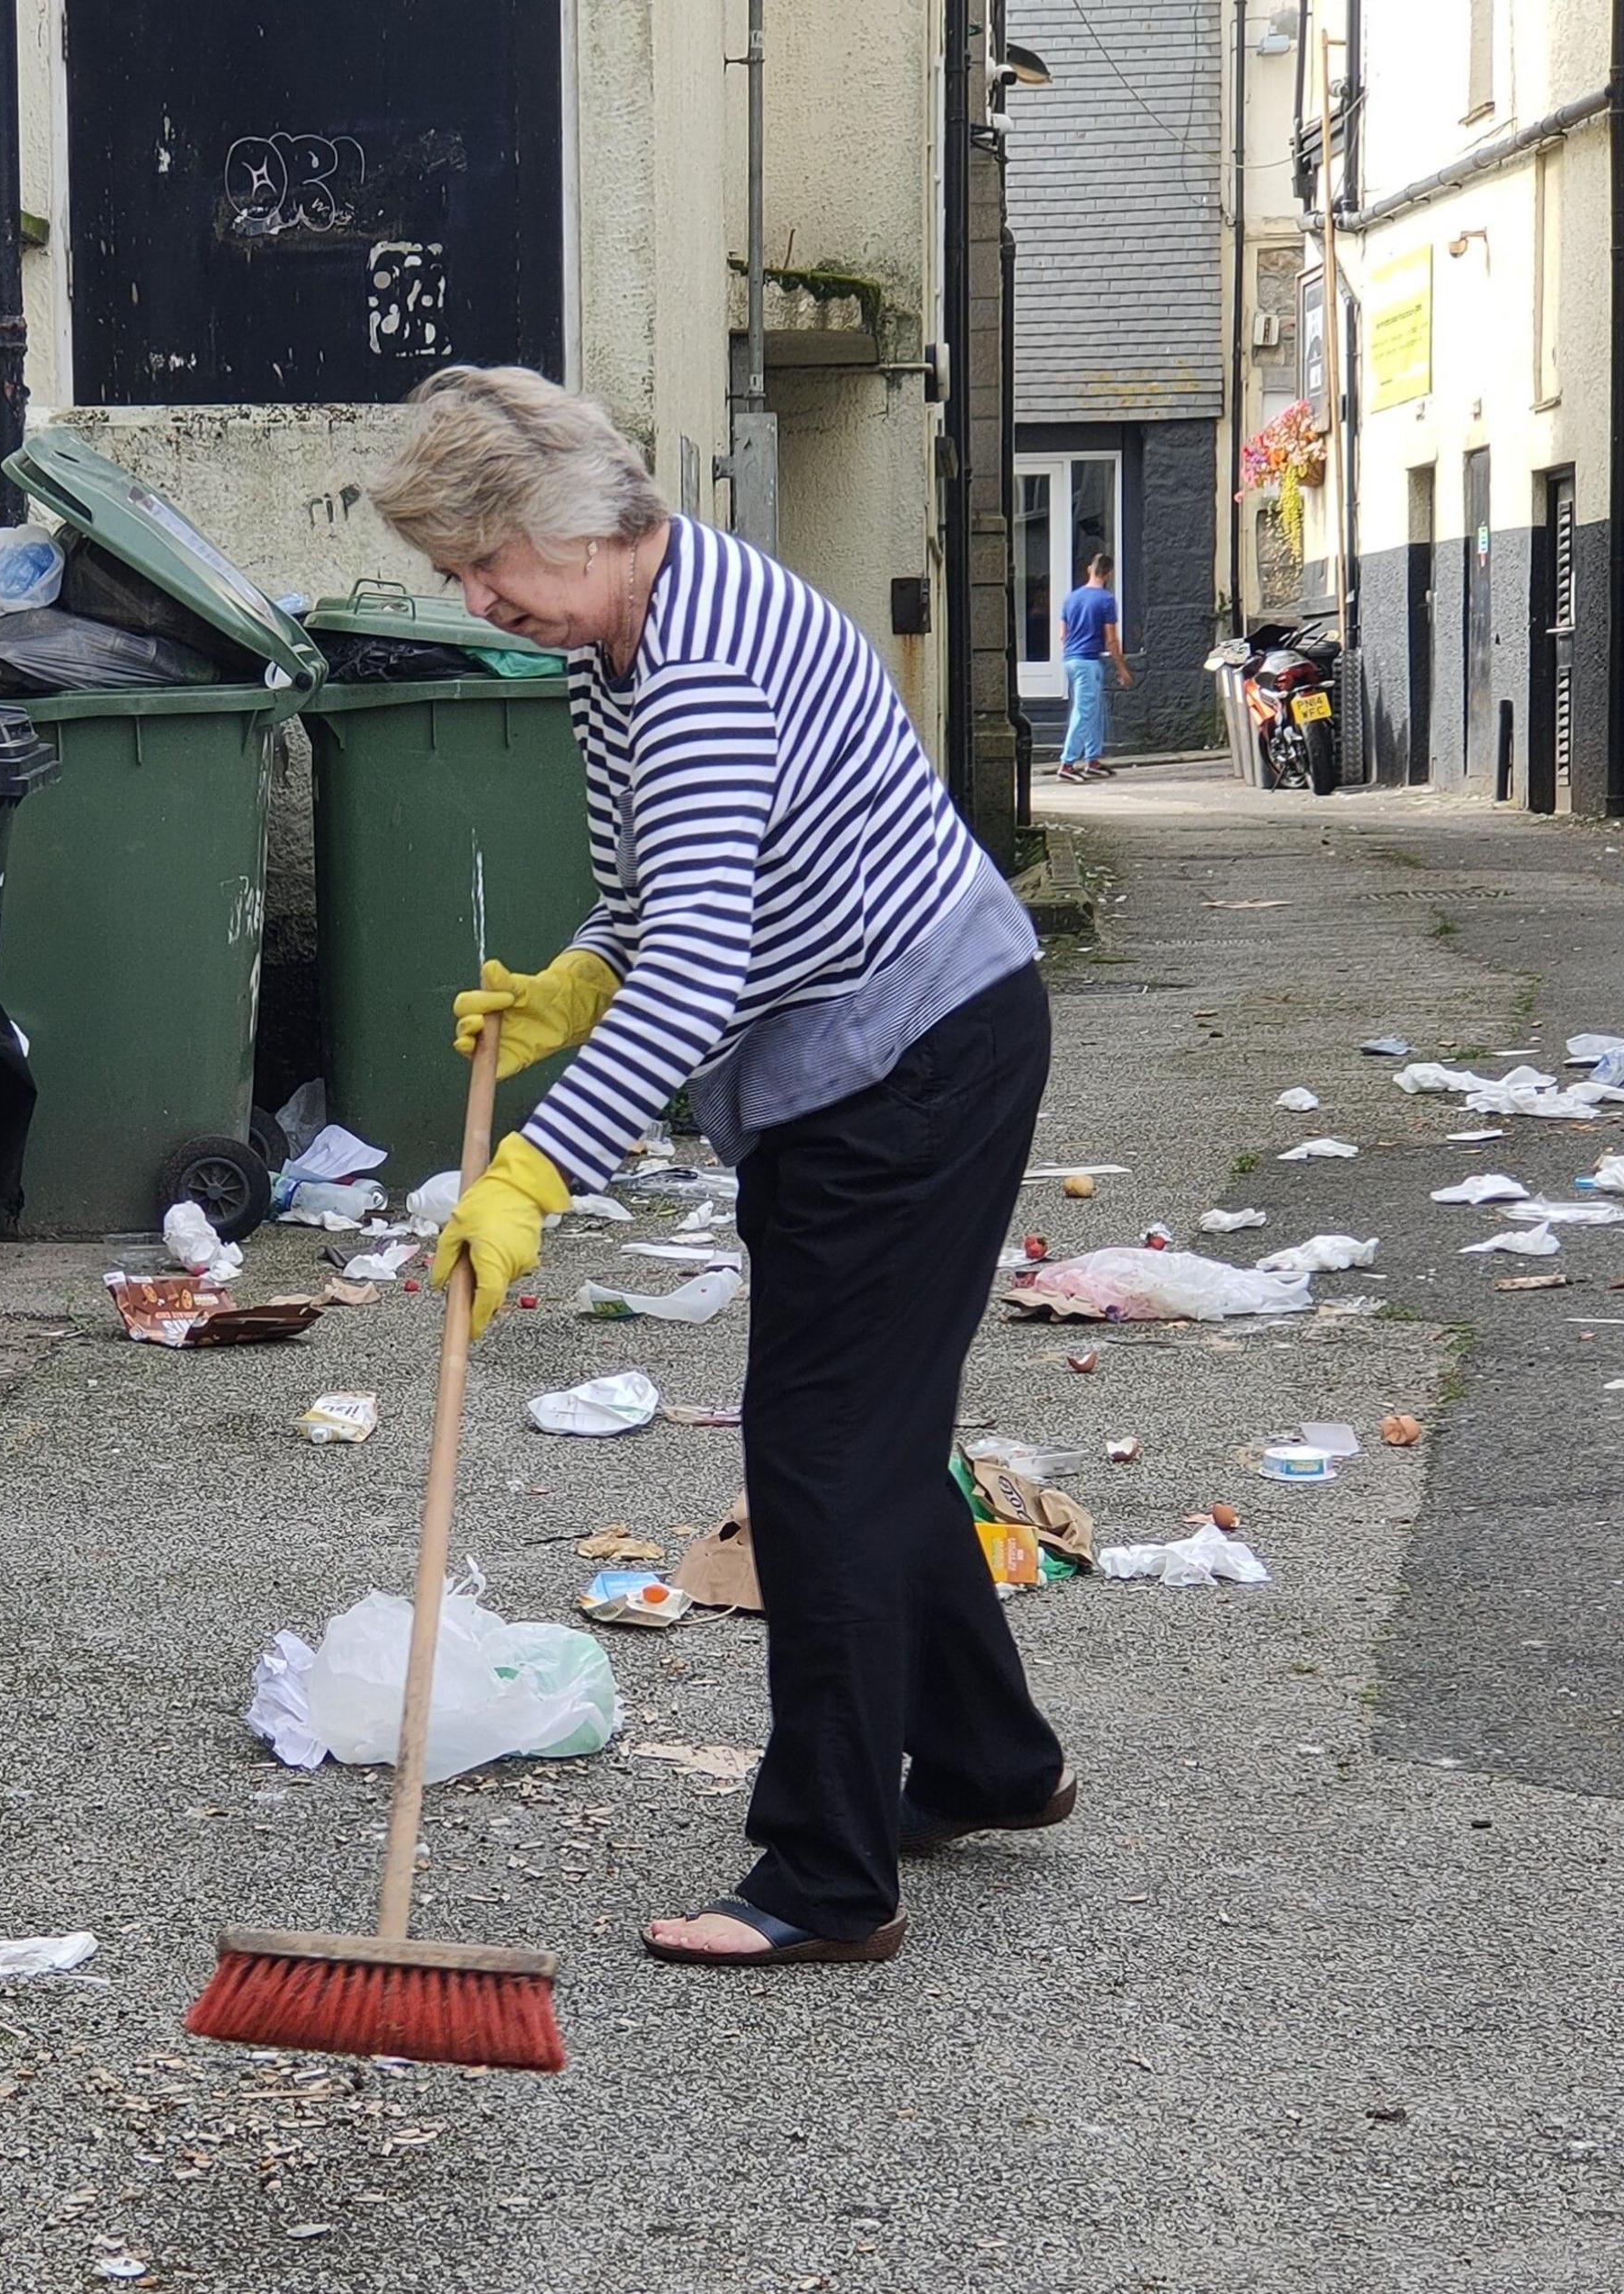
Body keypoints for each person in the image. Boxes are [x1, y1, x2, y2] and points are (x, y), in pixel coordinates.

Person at [367, 367, 1074, 1967]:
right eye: (457, 574)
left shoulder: (692, 665)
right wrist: (571, 977)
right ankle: (990, 1760)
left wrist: (534, 1176)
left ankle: (830, 1878)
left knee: (819, 1455)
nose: (477, 601)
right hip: (879, 1048)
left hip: (911, 1059)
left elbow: (697, 967)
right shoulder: (611, 645)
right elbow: (662, 902)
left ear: (577, 523)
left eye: (487, 563)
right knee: (870, 1438)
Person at [1055, 550, 1131, 783]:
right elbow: (1111, 639)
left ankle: (1092, 760)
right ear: (1108, 573)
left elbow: (1062, 634)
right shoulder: (1106, 600)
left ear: (1090, 569)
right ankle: (1067, 764)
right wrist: (1121, 668)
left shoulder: (1071, 598)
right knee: (1085, 711)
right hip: (1088, 661)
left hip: (1071, 659)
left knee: (1094, 711)